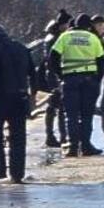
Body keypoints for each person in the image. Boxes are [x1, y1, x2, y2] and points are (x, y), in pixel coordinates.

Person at [50, 14, 104, 157]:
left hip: (70, 80)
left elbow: (53, 57)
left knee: (72, 115)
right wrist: (97, 80)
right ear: (89, 26)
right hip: (89, 81)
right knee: (87, 115)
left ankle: (73, 147)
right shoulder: (93, 38)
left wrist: (61, 74)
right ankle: (86, 146)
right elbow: (101, 61)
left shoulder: (65, 36)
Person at [0, 24, 36, 183]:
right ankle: (17, 173)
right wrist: (33, 95)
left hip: (0, 99)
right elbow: (33, 73)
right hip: (20, 98)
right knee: (18, 136)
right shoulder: (22, 49)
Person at [40, 18, 68, 148]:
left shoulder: (49, 37)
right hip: (55, 76)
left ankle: (52, 135)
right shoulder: (56, 39)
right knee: (59, 106)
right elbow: (56, 59)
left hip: (51, 76)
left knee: (54, 106)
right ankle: (60, 136)